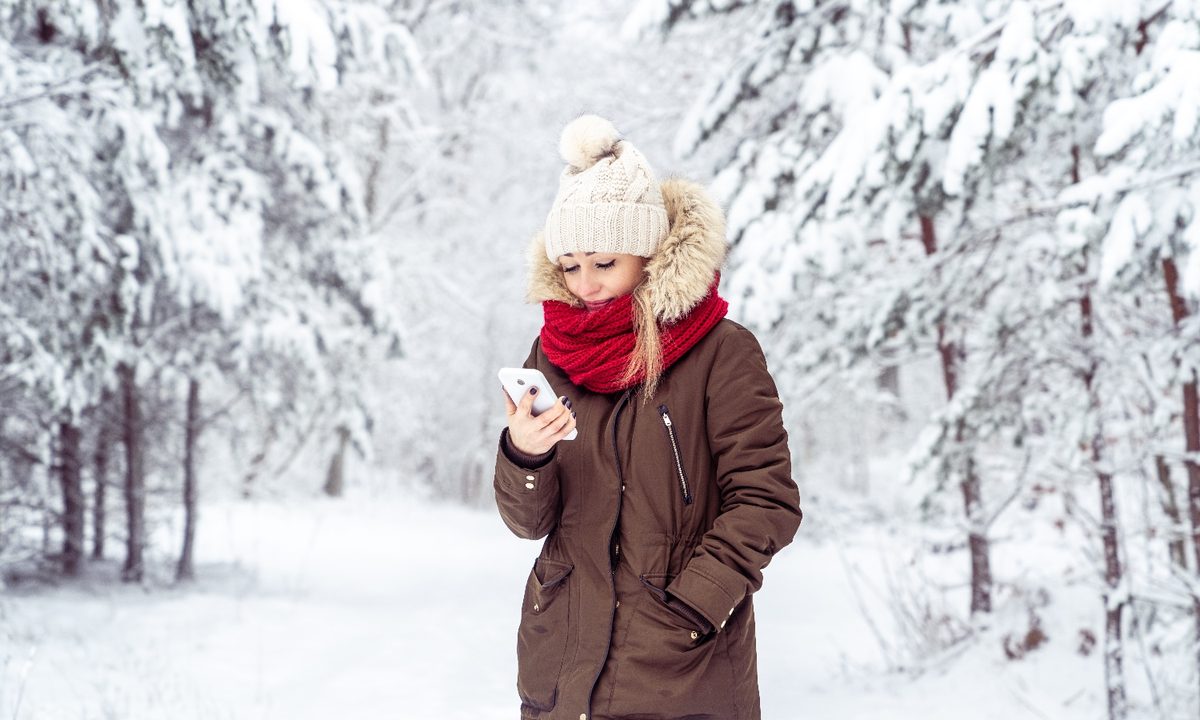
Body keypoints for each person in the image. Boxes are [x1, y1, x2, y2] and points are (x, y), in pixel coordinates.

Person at [493, 114, 803, 720]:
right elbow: (530, 524)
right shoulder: (552, 354)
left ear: (649, 253)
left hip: (681, 671)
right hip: (562, 665)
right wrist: (526, 454)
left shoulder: (721, 352)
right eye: (570, 265)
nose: (586, 284)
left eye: (604, 263)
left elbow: (767, 500)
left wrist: (694, 604)